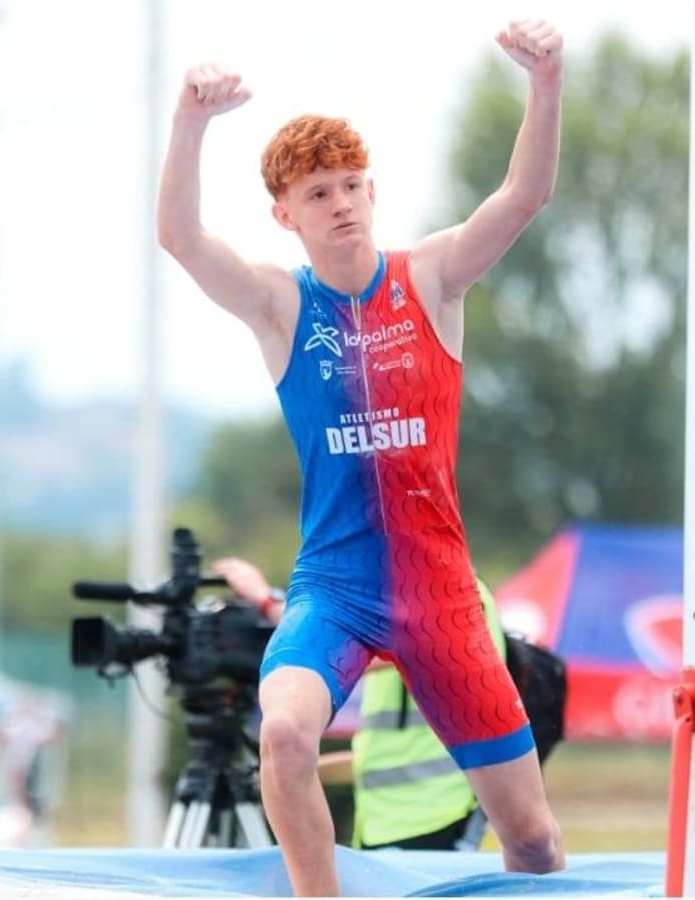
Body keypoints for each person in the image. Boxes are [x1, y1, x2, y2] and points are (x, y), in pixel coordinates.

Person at [158, 18, 565, 895]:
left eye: (351, 185)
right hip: (336, 587)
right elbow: (181, 239)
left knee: (532, 845)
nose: (341, 203)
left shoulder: (433, 277)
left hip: (440, 593)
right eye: (318, 193)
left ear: (372, 191)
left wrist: (547, 79)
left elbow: (522, 196)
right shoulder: (278, 308)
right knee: (283, 735)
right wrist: (190, 122)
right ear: (284, 213)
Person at [214, 557, 539, 853]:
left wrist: (266, 600)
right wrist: (282, 769)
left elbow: (336, 649)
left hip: (437, 818)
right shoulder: (393, 602)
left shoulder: (453, 596)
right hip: (385, 827)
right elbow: (379, 759)